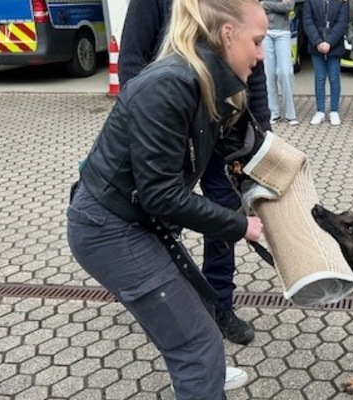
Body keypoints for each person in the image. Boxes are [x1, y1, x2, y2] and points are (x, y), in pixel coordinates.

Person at [67, 0, 268, 397]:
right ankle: (202, 372)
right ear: (228, 35)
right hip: (109, 229)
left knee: (195, 324)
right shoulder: (171, 83)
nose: (262, 55)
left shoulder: (208, 79)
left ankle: (203, 374)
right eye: (258, 41)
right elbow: (162, 194)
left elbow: (238, 143)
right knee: (198, 347)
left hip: (133, 219)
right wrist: (241, 224)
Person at [118, 0, 271, 346]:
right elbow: (131, 62)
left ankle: (220, 305)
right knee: (164, 219)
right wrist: (141, 129)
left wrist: (262, 134)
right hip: (172, 132)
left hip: (222, 131)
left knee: (224, 217)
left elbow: (255, 71)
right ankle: (169, 304)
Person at [303, 0, 349, 126]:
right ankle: (320, 111)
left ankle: (334, 111)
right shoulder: (310, 2)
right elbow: (308, 22)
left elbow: (342, 23)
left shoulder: (342, 2)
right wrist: (318, 42)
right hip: (315, 45)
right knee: (319, 78)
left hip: (334, 46)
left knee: (334, 78)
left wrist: (329, 42)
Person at [262, 0, 299, 126]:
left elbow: (289, 6)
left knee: (285, 72)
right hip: (264, 31)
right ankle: (273, 112)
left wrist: (265, 4)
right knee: (268, 73)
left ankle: (290, 113)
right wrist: (279, 6)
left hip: (283, 31)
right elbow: (255, 6)